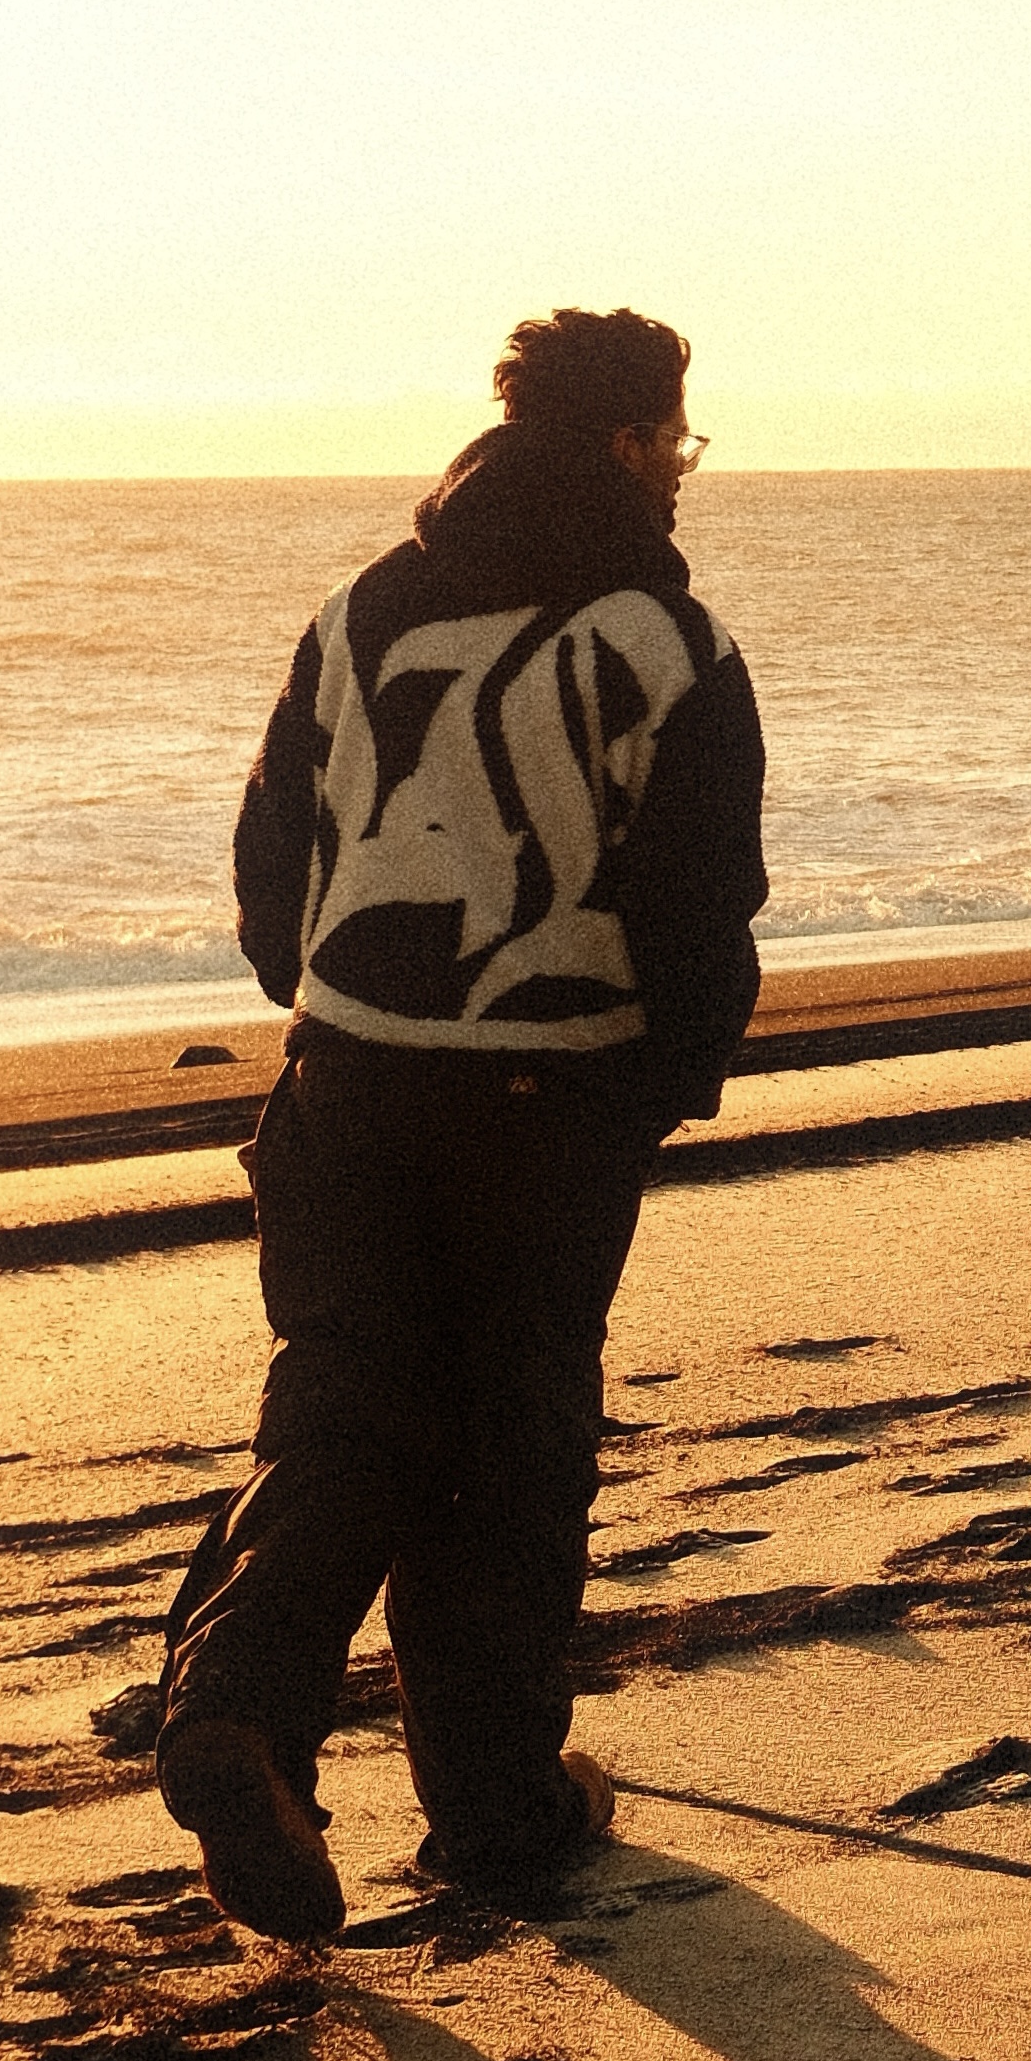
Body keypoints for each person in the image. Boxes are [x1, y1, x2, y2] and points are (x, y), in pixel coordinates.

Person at [157, 303, 766, 1944]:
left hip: (346, 1085)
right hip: (545, 1104)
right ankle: (494, 1813)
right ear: (638, 445)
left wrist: (332, 1007)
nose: (684, 474)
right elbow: (703, 908)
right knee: (514, 1448)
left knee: (347, 1412)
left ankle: (241, 1714)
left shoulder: (359, 607)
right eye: (680, 445)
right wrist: (664, 1085)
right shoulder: (665, 644)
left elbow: (273, 850)